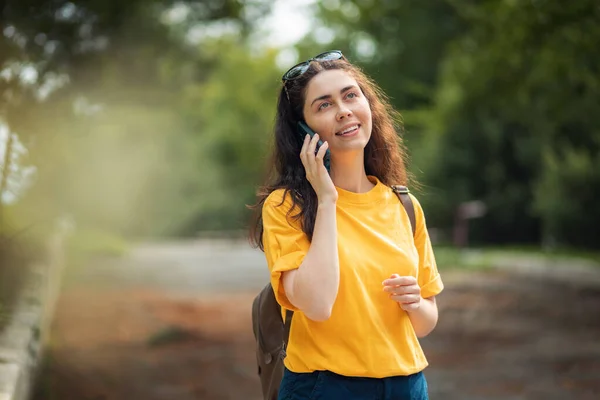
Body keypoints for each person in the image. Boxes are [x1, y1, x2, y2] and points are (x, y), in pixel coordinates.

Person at [248, 50, 444, 400]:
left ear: (368, 105)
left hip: (408, 385)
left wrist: (416, 303)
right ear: (303, 130)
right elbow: (318, 304)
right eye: (323, 105)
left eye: (351, 95)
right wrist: (326, 199)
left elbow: (426, 323)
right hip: (326, 386)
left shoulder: (404, 205)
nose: (343, 110)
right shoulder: (285, 207)